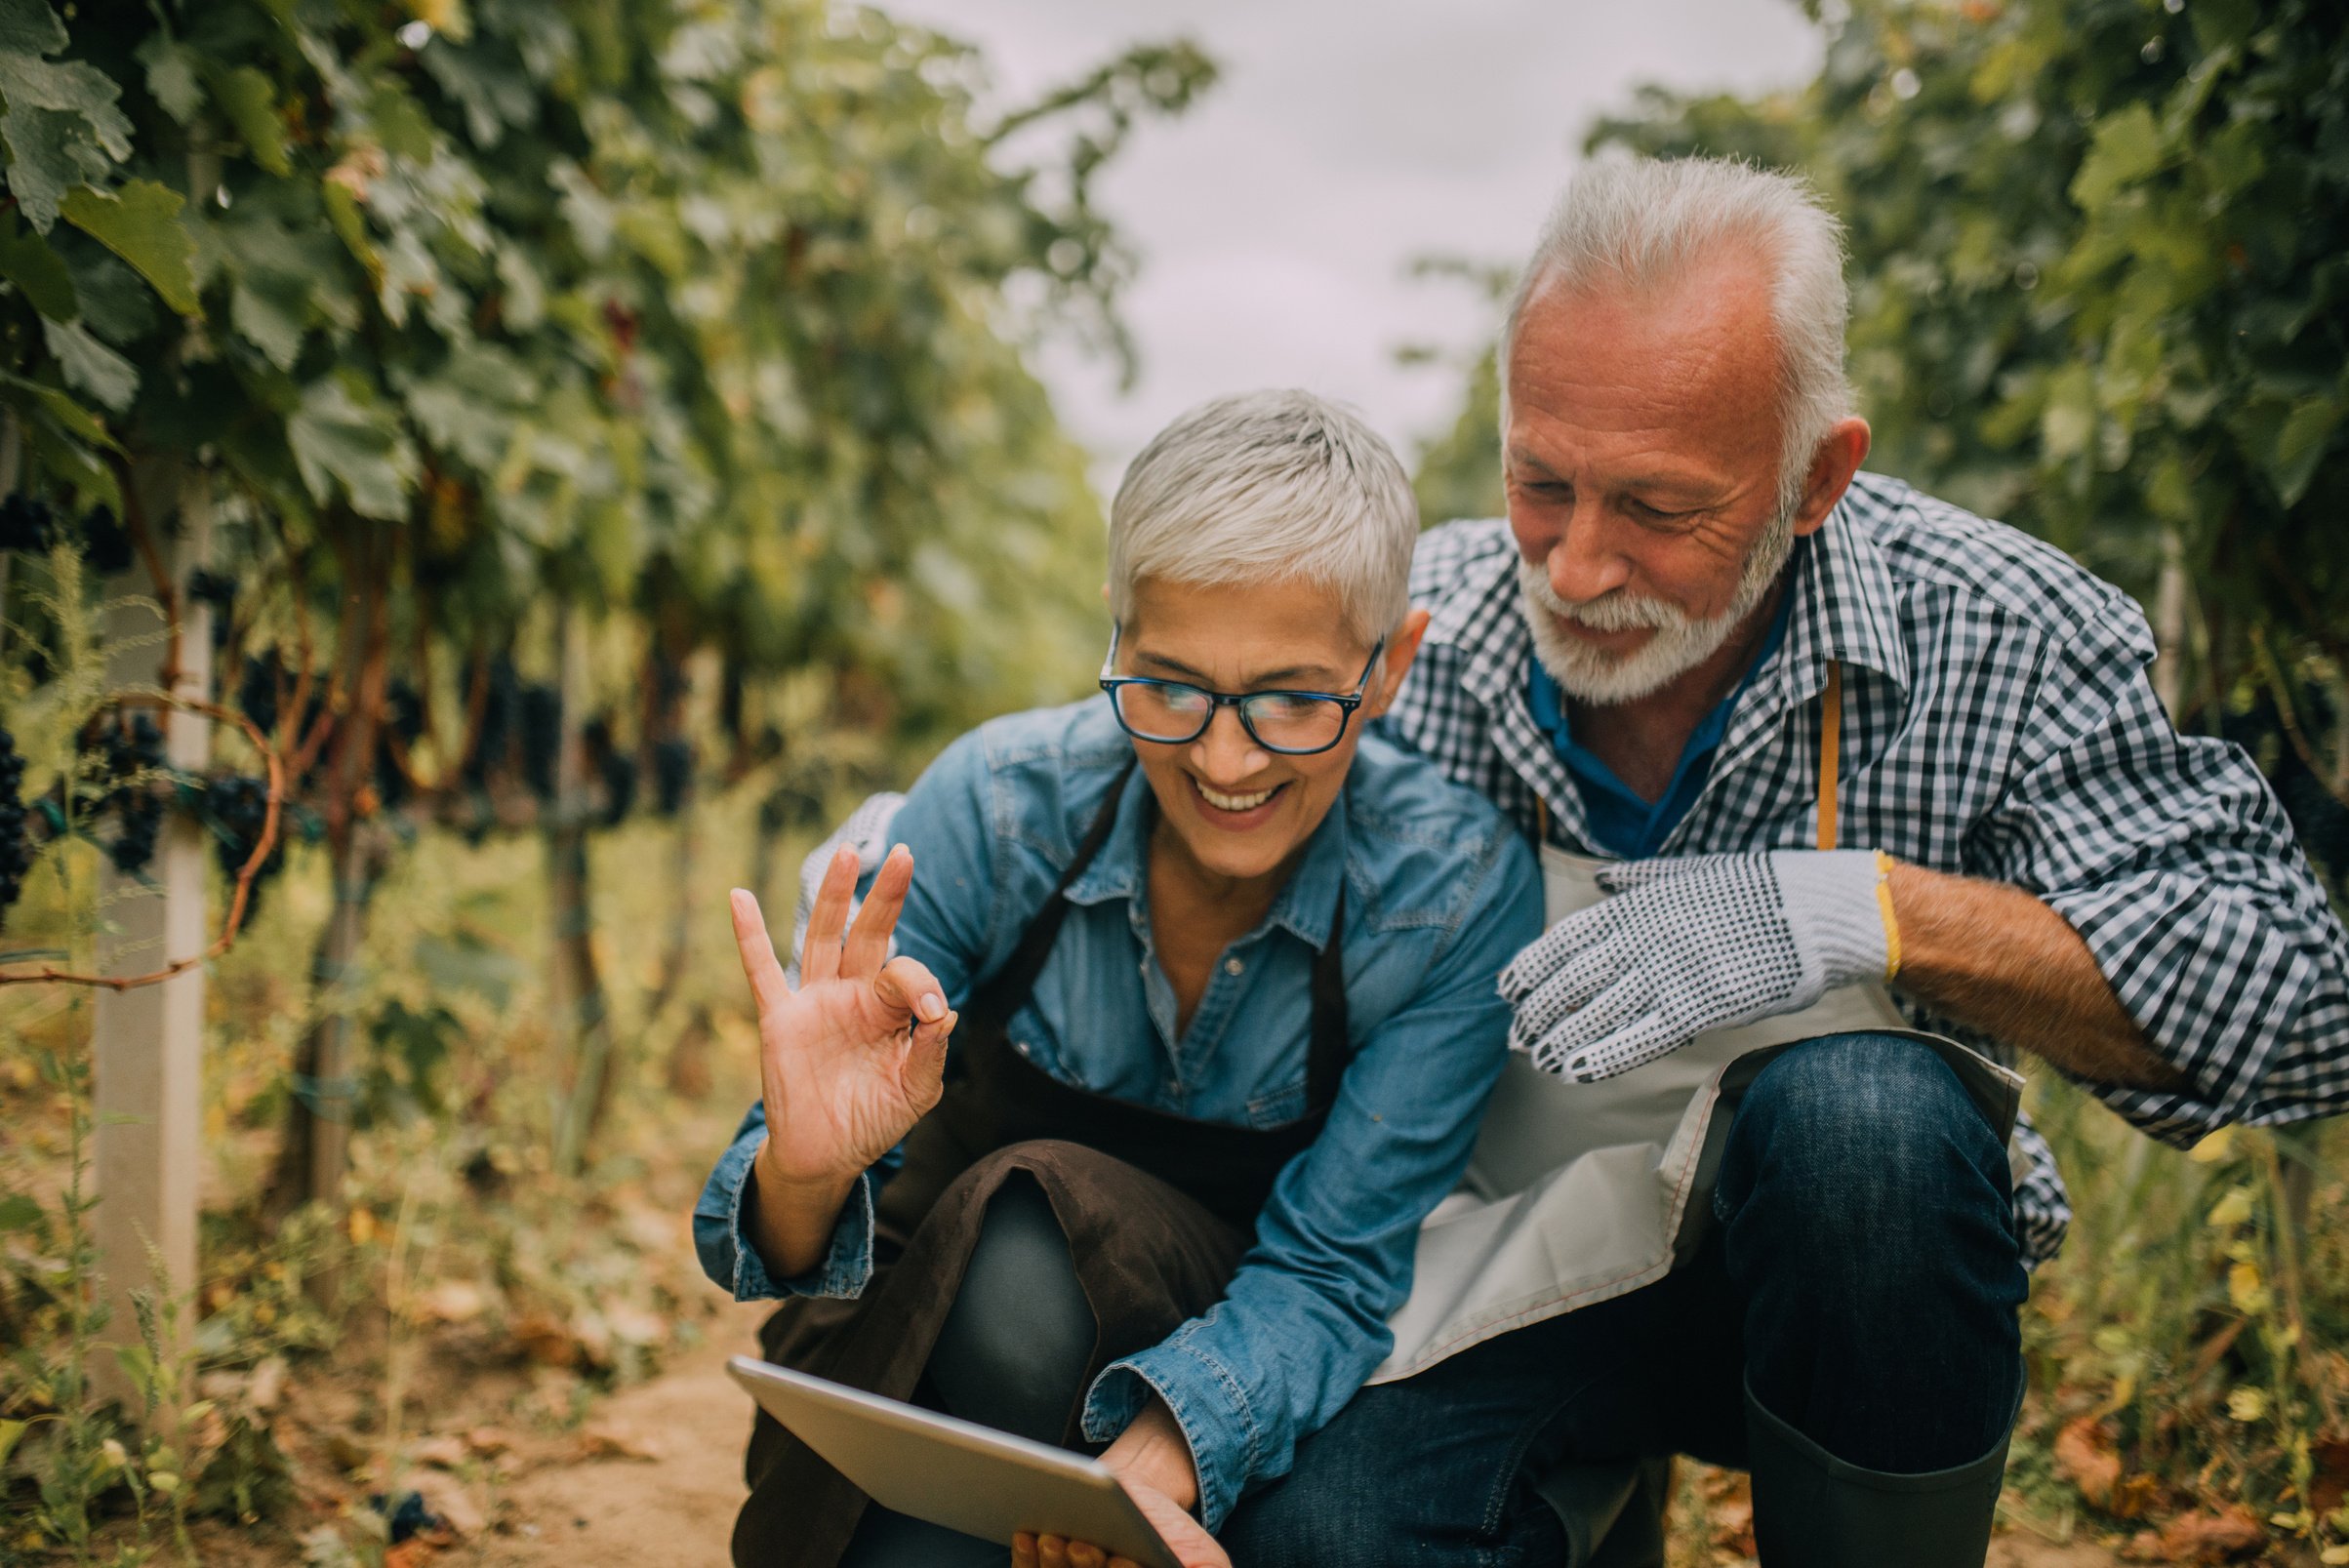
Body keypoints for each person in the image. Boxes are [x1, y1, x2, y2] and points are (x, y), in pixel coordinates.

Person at [1221, 157, 2349, 1566]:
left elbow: (2298, 1006)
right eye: (1540, 481)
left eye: (1654, 508)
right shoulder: (1410, 637)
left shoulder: (1992, 633)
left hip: (1849, 1287)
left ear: (1814, 475)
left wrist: (1869, 909)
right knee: (1316, 1536)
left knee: (1864, 1122)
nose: (1573, 566)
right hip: (1499, 1279)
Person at [693, 389, 1543, 1568]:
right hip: (923, 1336)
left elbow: (1331, 1266)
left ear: (1391, 664)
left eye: (1294, 698)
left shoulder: (1448, 894)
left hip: (1232, 1346)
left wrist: (1162, 1454)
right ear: (1117, 626)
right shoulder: (997, 809)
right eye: (1170, 684)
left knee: (1032, 1249)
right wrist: (806, 1162)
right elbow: (781, 1243)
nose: (1224, 756)